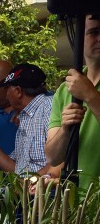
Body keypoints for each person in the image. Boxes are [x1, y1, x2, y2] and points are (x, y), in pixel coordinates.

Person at [46, 13, 100, 193]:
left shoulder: (79, 88)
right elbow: (53, 157)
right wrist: (65, 129)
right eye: (94, 32)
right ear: (79, 39)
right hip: (76, 201)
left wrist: (90, 95)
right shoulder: (65, 89)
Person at [0, 63, 54, 175]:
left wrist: (30, 182)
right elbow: (17, 170)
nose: (6, 95)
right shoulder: (25, 116)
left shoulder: (49, 107)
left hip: (43, 186)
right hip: (25, 185)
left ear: (18, 91)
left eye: (7, 89)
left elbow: (58, 163)